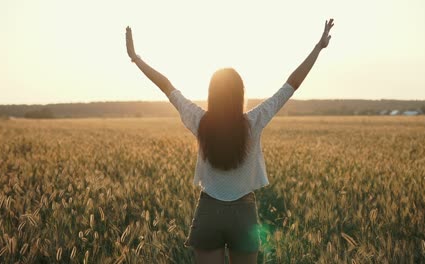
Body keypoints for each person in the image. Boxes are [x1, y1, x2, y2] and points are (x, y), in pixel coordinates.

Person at [125, 18, 334, 264]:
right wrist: (318, 48)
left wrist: (136, 58)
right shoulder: (253, 121)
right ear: (240, 95)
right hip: (244, 214)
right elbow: (291, 84)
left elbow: (166, 86)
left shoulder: (200, 120)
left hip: (208, 211)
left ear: (211, 94)